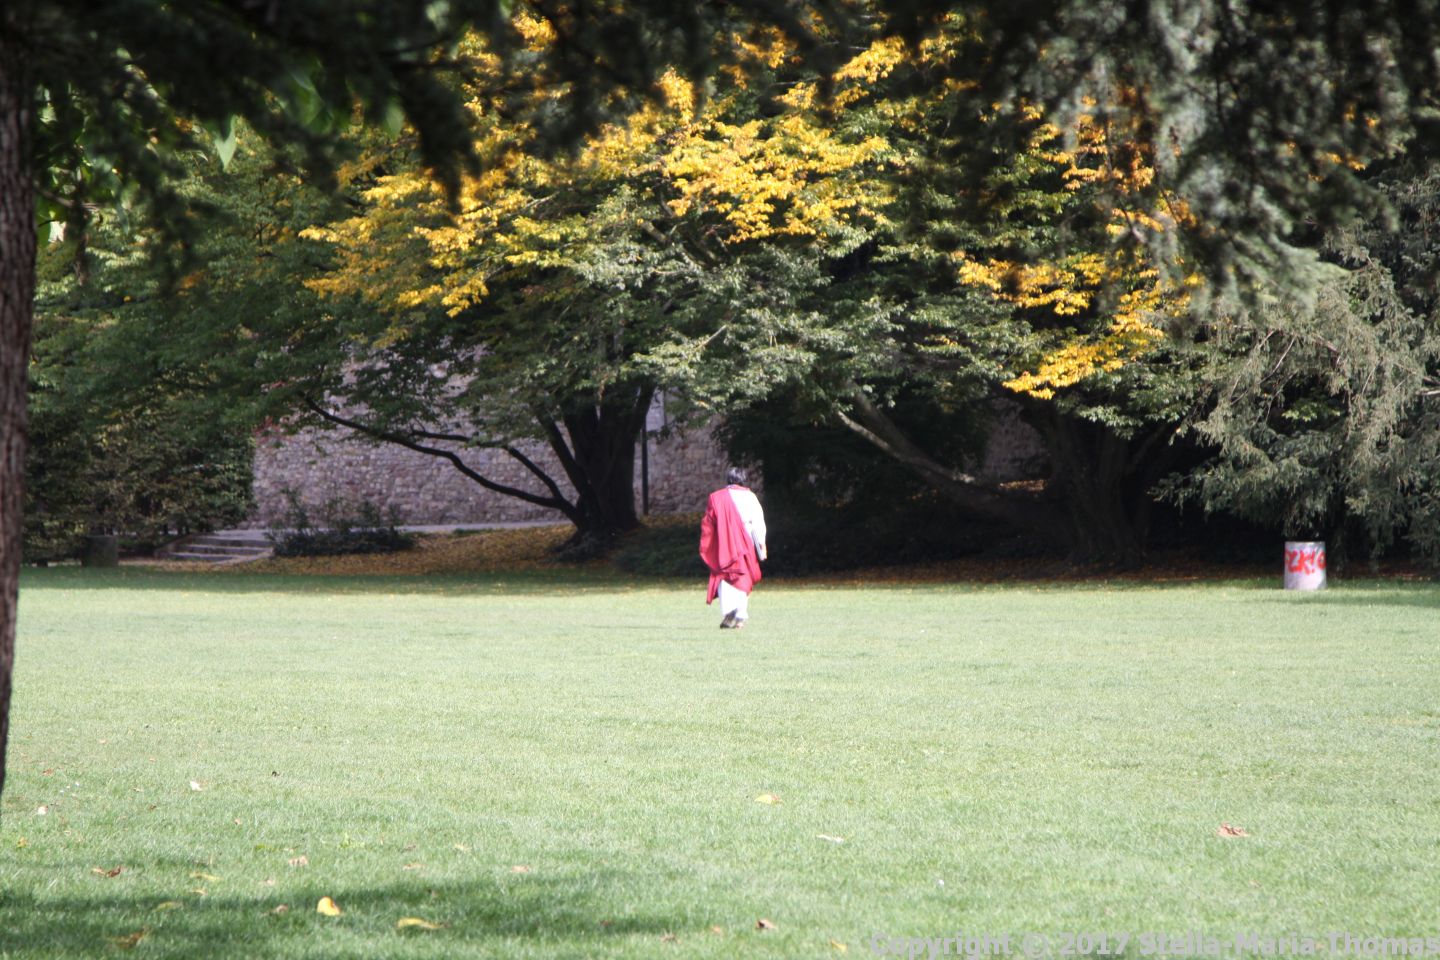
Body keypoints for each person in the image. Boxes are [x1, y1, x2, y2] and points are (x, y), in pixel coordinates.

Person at [699, 467, 768, 629]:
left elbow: (708, 524)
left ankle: (729, 613)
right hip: (746, 542)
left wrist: (710, 544)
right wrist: (762, 544)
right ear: (743, 480)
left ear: (728, 479)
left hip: (724, 543)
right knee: (744, 577)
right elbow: (759, 522)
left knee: (724, 576)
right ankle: (740, 617)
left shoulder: (717, 497)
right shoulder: (750, 497)